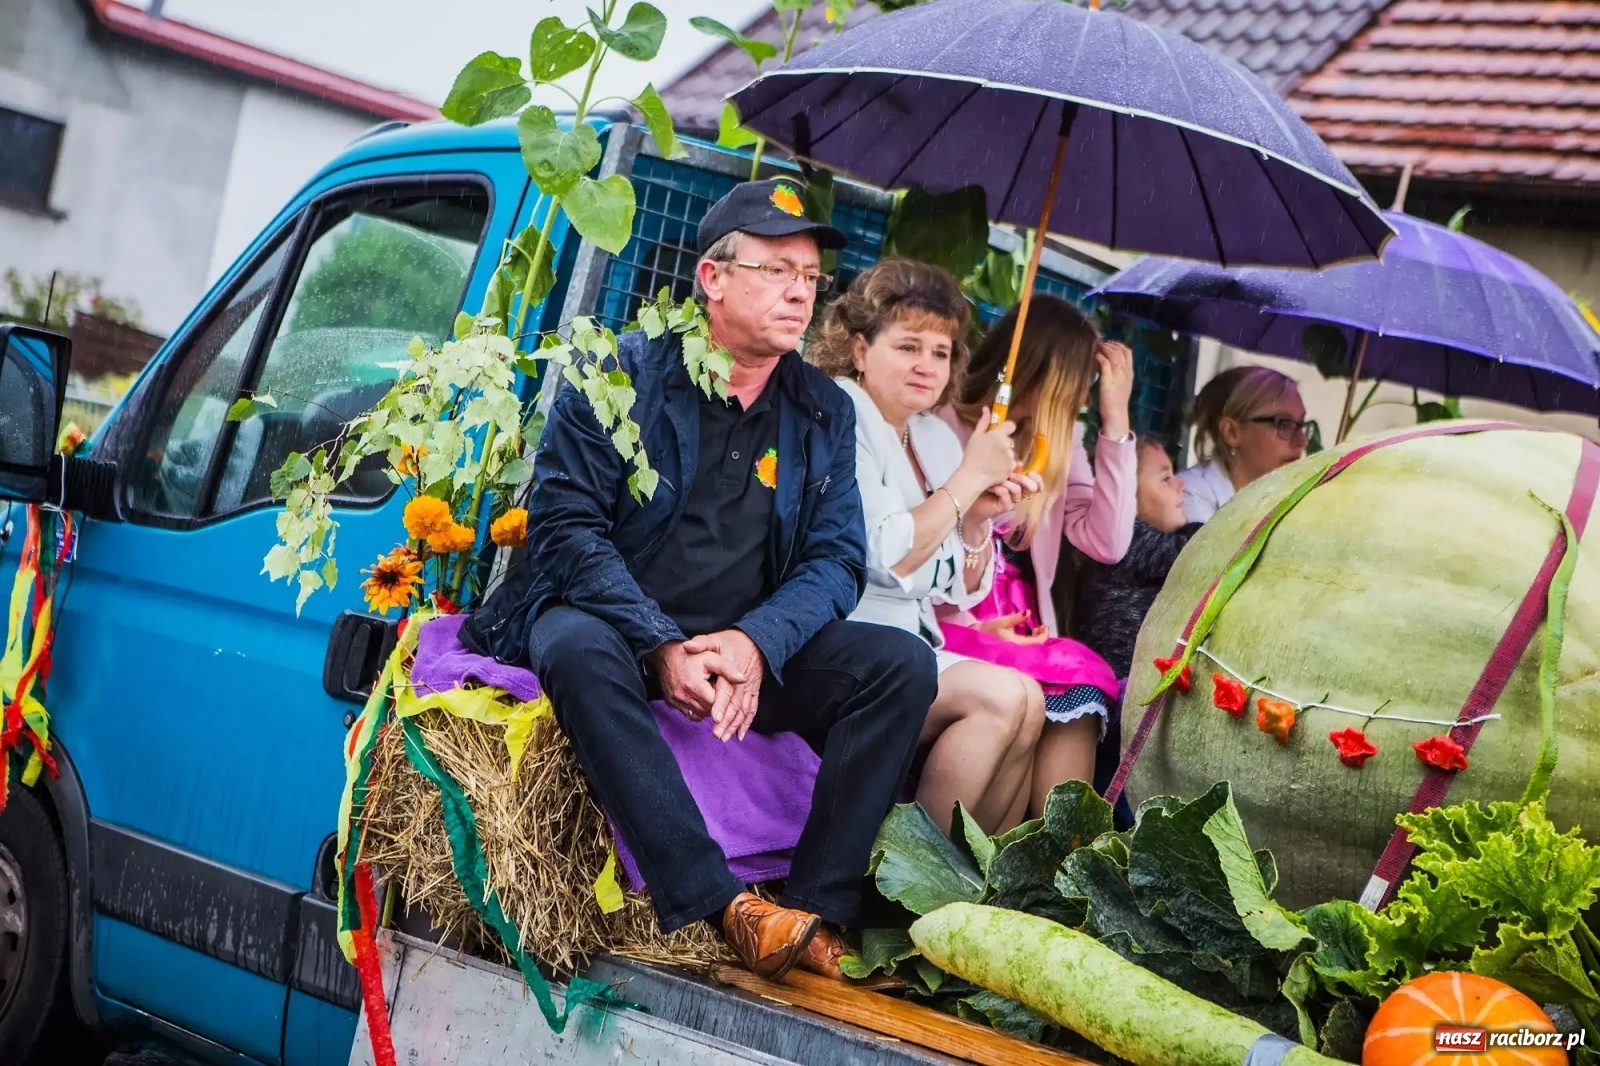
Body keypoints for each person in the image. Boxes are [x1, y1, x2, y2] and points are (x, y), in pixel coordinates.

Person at [461, 178, 937, 984]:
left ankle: (817, 912)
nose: (800, 292)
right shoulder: (616, 374)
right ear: (713, 278)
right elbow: (567, 532)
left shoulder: (822, 408)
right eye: (777, 270)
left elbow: (836, 562)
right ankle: (725, 905)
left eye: (812, 278)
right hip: (612, 620)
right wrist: (660, 645)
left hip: (739, 641)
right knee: (573, 647)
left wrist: (756, 643)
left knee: (900, 665)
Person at [809, 259, 1045, 836]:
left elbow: (958, 589)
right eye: (908, 346)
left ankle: (973, 882)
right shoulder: (841, 413)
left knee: (1030, 701)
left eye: (940, 353)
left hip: (914, 644)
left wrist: (975, 520)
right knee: (1000, 698)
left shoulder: (932, 434)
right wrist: (967, 482)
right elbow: (887, 556)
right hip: (844, 643)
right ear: (860, 349)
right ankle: (912, 882)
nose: (926, 366)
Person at [937, 296, 1136, 818]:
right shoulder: (946, 423)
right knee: (1066, 676)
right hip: (953, 617)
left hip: (1022, 620)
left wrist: (1116, 427)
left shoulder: (1061, 438)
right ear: (1044, 370)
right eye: (1081, 383)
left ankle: (1055, 867)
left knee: (1081, 680)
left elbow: (1107, 541)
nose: (1085, 400)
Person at [1074, 437, 1204, 681]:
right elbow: (1195, 554)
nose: (1181, 486)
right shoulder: (1127, 543)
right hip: (1118, 694)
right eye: (1166, 479)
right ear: (1124, 498)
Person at [1178, 365, 1312, 523]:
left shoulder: (1281, 502)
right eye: (1284, 424)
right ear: (1231, 432)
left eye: (1301, 424)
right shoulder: (1188, 498)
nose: (1302, 441)